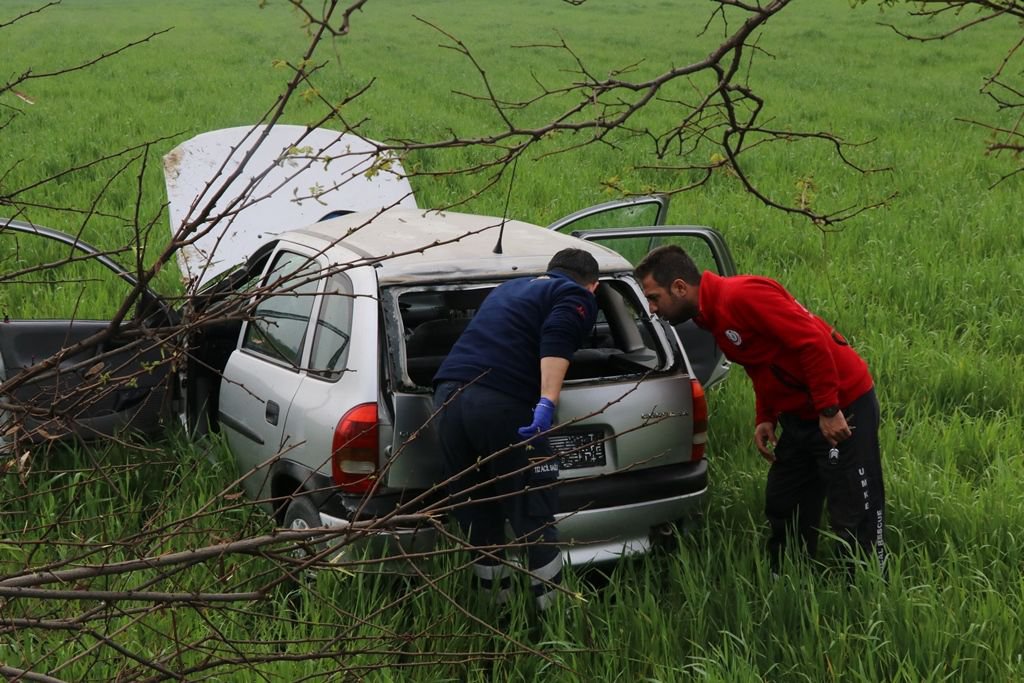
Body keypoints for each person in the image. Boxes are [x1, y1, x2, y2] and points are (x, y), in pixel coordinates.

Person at [634, 245, 886, 576]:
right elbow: (760, 363)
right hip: (798, 413)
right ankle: (791, 577)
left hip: (843, 404)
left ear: (680, 287)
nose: (652, 310)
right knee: (785, 499)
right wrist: (765, 416)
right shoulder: (709, 316)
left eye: (654, 298)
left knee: (853, 503)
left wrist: (828, 409)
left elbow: (811, 342)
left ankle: (867, 581)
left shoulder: (741, 296)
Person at [432, 247, 599, 611]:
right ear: (594, 286)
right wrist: (547, 401)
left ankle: (497, 612)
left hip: (447, 398)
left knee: (477, 509)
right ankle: (554, 616)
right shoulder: (574, 294)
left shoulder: (508, 288)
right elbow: (557, 334)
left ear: (549, 270)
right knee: (533, 515)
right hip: (501, 403)